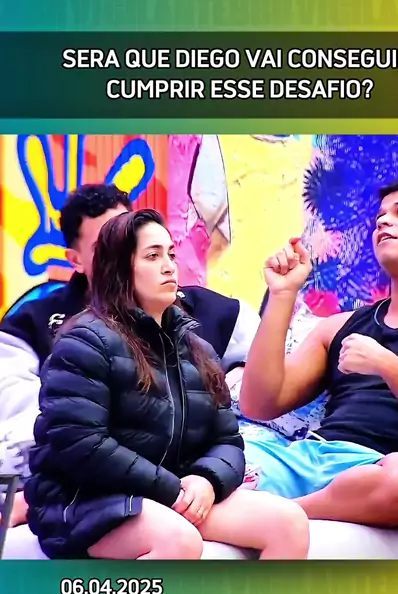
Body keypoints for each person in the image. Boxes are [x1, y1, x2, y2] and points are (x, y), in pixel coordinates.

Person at [24, 209, 309, 560]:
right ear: (119, 268)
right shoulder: (84, 342)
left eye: (171, 254)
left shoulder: (197, 349)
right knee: (179, 540)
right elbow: (81, 444)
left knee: (288, 523)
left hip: (168, 493)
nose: (169, 266)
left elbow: (227, 439)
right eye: (152, 256)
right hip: (83, 500)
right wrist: (170, 489)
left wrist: (207, 480)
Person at [0, 183, 259, 526]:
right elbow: (46, 425)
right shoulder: (37, 321)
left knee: (280, 518)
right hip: (100, 485)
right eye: (107, 243)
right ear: (75, 260)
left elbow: (242, 409)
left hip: (186, 477)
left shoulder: (200, 317)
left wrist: (206, 477)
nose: (122, 245)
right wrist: (167, 483)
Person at [240, 177, 398, 529]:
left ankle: (280, 512)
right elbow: (259, 404)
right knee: (213, 457)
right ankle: (281, 509)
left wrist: (387, 365)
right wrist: (282, 294)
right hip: (309, 460)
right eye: (380, 216)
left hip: (386, 472)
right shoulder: (339, 326)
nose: (384, 222)